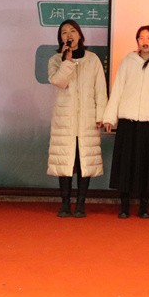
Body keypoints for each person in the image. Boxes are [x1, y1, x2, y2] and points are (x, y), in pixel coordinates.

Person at [102, 26, 149, 219]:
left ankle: (144, 206)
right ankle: (124, 206)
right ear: (137, 42)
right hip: (128, 121)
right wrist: (109, 117)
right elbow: (117, 89)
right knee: (126, 165)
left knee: (146, 166)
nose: (145, 41)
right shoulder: (128, 61)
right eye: (141, 38)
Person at [47, 20, 107, 218]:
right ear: (60, 38)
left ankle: (81, 204)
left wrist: (101, 115)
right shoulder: (56, 60)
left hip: (87, 120)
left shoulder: (93, 59)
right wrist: (67, 61)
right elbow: (59, 82)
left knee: (84, 162)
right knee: (65, 161)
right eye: (64, 32)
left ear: (80, 35)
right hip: (65, 120)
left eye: (72, 31)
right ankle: (65, 203)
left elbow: (100, 89)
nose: (69, 35)